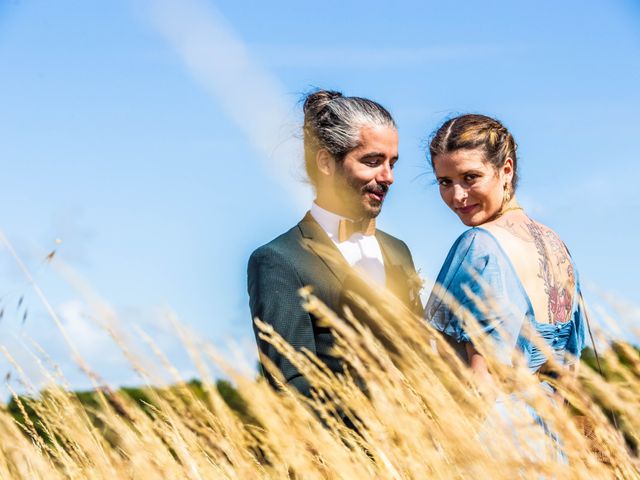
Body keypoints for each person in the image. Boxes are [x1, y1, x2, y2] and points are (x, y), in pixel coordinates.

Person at [424, 114, 588, 459]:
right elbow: (567, 373)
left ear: (506, 170)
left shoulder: (479, 245)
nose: (457, 195)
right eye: (444, 182)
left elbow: (481, 381)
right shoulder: (557, 246)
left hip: (488, 442)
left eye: (470, 178)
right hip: (545, 444)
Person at [248, 90, 422, 397]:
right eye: (372, 161)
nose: (388, 176)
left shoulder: (398, 250)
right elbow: (290, 384)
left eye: (392, 163)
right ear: (327, 162)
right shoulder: (279, 259)